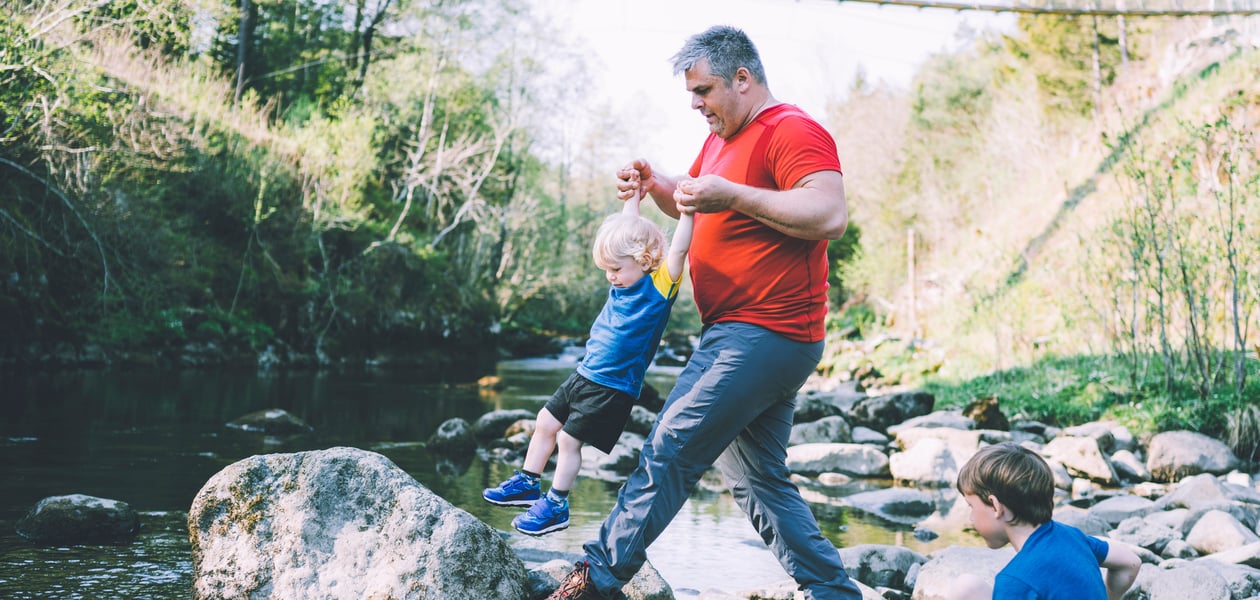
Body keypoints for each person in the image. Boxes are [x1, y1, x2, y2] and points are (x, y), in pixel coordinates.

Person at [545, 25, 862, 600]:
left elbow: (828, 213)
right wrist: (657, 182)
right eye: (691, 93)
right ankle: (833, 593)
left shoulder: (792, 129)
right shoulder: (721, 138)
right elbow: (695, 201)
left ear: (743, 79)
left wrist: (732, 195)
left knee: (671, 444)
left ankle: (595, 581)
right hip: (743, 331)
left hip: (765, 331)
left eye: (704, 90)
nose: (695, 104)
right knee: (755, 477)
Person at [483, 178, 694, 536]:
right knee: (545, 422)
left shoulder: (659, 287)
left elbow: (676, 251)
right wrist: (634, 196)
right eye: (607, 270)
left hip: (612, 385)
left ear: (644, 261)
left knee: (567, 440)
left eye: (616, 269)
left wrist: (688, 213)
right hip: (585, 373)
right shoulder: (624, 277)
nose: (611, 277)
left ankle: (556, 505)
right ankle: (527, 482)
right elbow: (630, 234)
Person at [949, 442, 1141, 600]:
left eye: (971, 506)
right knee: (968, 588)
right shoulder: (1072, 536)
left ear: (996, 506)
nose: (971, 517)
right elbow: (1130, 561)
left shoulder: (1015, 581)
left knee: (963, 588)